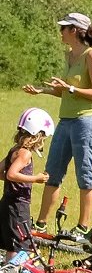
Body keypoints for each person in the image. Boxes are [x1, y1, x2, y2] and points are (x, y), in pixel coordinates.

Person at [22, 11, 92, 235]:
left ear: (74, 31)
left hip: (86, 122)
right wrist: (44, 91)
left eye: (64, 28)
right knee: (52, 172)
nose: (61, 32)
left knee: (84, 173)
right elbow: (67, 93)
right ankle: (40, 224)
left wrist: (68, 88)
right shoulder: (69, 55)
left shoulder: (91, 55)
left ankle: (82, 227)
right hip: (65, 121)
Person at [1, 108, 54, 260]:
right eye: (43, 136)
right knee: (17, 244)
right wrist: (35, 178)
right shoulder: (25, 154)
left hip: (7, 202)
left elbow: (3, 172)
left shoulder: (15, 150)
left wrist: (17, 180)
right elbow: (11, 174)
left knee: (12, 241)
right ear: (37, 135)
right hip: (18, 205)